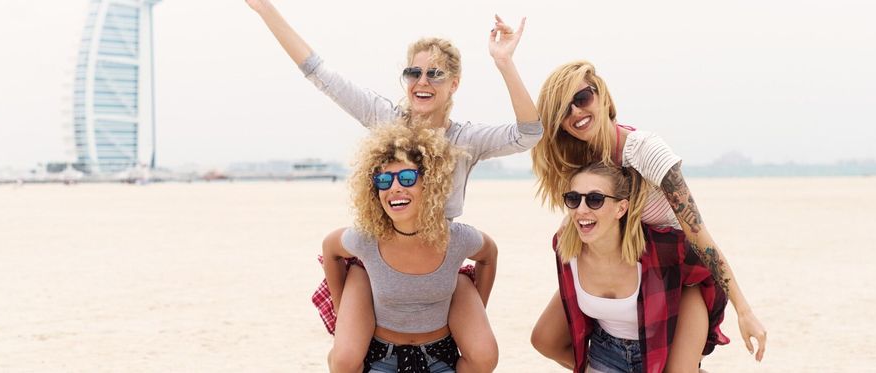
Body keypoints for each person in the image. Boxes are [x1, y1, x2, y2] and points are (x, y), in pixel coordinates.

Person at [245, 1, 540, 371]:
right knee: (346, 358)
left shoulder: (466, 140)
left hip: (439, 258)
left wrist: (505, 63)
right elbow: (321, 75)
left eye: (435, 74)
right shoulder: (387, 119)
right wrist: (266, 10)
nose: (422, 81)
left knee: (483, 356)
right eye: (413, 72)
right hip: (382, 258)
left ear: (454, 83)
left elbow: (530, 133)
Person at [529, 60, 767, 369]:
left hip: (678, 274)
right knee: (545, 338)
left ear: (602, 96)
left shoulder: (646, 152)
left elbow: (699, 235)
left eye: (582, 98)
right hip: (630, 265)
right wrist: (505, 63)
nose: (575, 112)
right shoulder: (582, 160)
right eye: (562, 110)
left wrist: (744, 310)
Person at [323, 124, 497, 372]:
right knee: (342, 363)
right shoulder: (366, 239)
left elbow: (489, 255)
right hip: (382, 356)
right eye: (384, 180)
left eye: (407, 178)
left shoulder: (457, 239)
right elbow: (330, 249)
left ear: (429, 184)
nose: (394, 187)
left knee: (486, 356)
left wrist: (477, 306)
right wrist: (341, 312)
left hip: (439, 356)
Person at [546, 163, 729, 372]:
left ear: (621, 208)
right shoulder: (566, 249)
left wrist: (704, 339)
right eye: (573, 199)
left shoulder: (662, 248)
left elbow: (713, 274)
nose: (581, 209)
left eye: (595, 200)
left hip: (662, 344)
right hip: (608, 349)